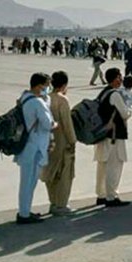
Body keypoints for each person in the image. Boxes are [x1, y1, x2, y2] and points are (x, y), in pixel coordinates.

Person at [17, 74, 55, 223]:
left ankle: (25, 210)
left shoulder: (24, 97)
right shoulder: (37, 102)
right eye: (46, 85)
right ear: (39, 86)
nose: (48, 89)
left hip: (26, 145)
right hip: (35, 148)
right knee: (29, 182)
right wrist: (55, 125)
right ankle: (24, 214)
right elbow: (48, 124)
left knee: (26, 181)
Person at [95, 68, 132, 207]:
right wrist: (131, 106)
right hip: (114, 136)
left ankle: (101, 195)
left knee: (102, 166)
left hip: (103, 135)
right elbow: (125, 113)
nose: (121, 79)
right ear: (115, 78)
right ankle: (112, 196)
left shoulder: (103, 92)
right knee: (114, 166)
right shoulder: (115, 94)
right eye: (119, 77)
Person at [41, 72, 76, 216]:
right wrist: (72, 141)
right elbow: (67, 124)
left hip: (48, 142)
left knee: (50, 173)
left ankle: (53, 202)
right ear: (64, 84)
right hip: (62, 142)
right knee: (64, 174)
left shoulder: (45, 98)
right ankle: (61, 204)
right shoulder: (62, 100)